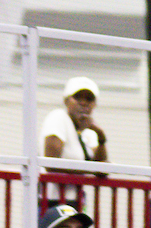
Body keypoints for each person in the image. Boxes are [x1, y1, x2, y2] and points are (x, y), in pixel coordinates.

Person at [40, 77, 108, 205]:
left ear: (94, 104)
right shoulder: (58, 117)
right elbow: (51, 163)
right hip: (51, 201)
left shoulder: (88, 132)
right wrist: (93, 170)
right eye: (77, 98)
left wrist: (101, 136)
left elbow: (103, 168)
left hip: (75, 201)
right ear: (66, 101)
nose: (83, 103)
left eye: (89, 99)